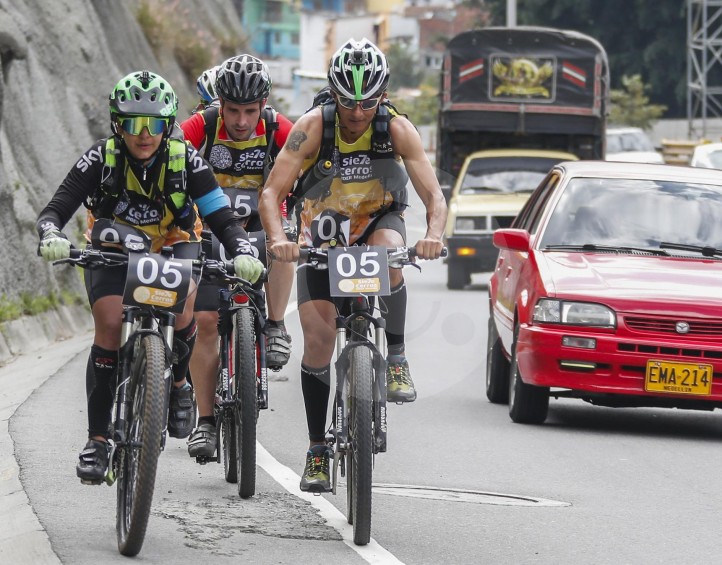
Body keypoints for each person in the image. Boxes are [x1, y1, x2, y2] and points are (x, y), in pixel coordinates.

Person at [36, 70, 265, 484]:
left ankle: (179, 381)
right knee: (107, 325)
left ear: (168, 124)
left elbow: (223, 218)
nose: (145, 134)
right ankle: (98, 440)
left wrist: (244, 250)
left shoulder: (186, 160)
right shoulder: (100, 157)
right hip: (115, 248)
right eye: (133, 123)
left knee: (183, 311)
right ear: (116, 124)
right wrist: (51, 233)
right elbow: (56, 208)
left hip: (174, 243)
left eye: (155, 124)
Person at [258, 38, 446, 491]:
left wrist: (433, 235)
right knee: (319, 341)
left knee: (388, 252)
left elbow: (434, 195)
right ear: (332, 95)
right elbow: (270, 193)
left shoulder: (397, 129)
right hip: (322, 231)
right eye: (347, 103)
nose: (357, 113)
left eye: (367, 103)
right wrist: (278, 240)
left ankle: (396, 356)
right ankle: (317, 449)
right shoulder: (312, 127)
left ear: (381, 97)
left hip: (378, 217)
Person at [179, 54, 295, 459]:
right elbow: (167, 161)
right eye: (232, 111)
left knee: (287, 242)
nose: (242, 121)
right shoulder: (201, 126)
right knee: (206, 321)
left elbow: (315, 166)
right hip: (211, 228)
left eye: (250, 111)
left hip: (262, 225)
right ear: (220, 105)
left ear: (263, 105)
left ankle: (276, 324)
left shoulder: (282, 128)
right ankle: (206, 421)